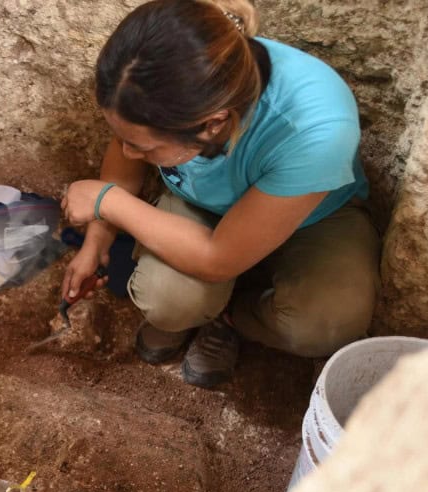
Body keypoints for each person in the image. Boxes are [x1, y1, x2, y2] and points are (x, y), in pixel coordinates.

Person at [61, 0, 380, 388]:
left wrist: (106, 201)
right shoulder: (164, 86)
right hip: (203, 202)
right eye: (125, 139)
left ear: (213, 125)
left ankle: (233, 318)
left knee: (326, 323)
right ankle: (200, 311)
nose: (129, 153)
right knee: (169, 300)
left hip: (314, 218)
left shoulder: (315, 129)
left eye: (142, 147)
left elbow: (218, 258)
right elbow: (129, 142)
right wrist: (98, 237)